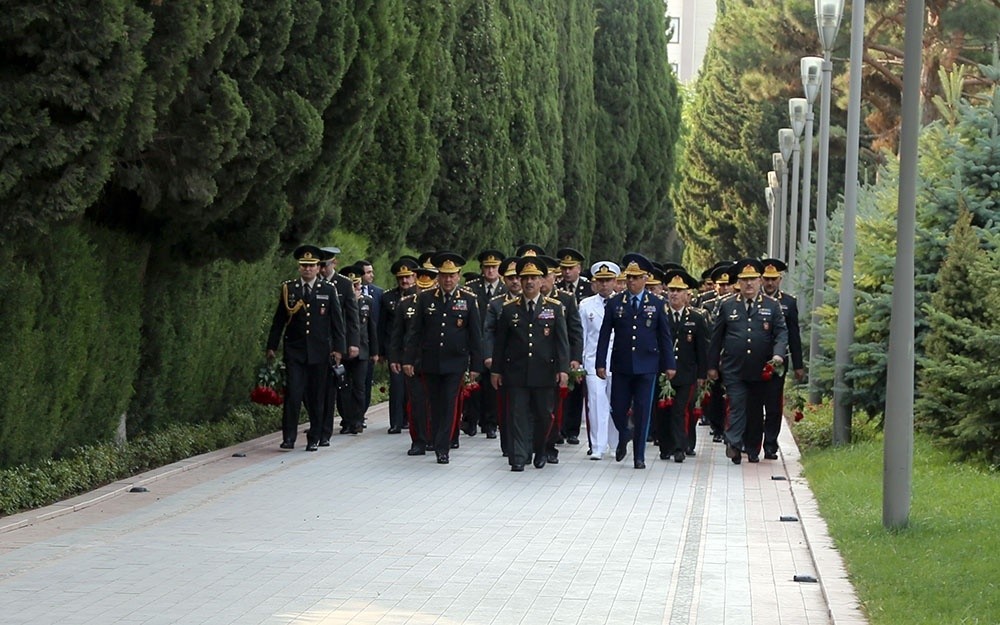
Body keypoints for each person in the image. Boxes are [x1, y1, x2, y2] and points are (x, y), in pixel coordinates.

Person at [596, 254, 676, 469]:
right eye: (629, 277)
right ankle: (624, 433)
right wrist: (600, 363)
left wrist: (669, 364)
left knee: (643, 410)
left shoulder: (657, 304)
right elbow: (605, 334)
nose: (631, 281)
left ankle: (639, 455)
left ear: (645, 279)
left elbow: (664, 336)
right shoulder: (615, 303)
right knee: (617, 407)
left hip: (647, 365)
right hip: (622, 364)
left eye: (636, 277)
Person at [402, 252, 482, 465]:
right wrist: (408, 360)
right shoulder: (426, 298)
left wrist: (476, 365)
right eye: (444, 275)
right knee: (435, 404)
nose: (448, 279)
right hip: (431, 361)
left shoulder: (468, 300)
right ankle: (436, 439)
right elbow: (415, 332)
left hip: (455, 362)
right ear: (438, 276)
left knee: (449, 403)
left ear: (459, 275)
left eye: (452, 275)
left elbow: (475, 335)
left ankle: (443, 447)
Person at [491, 257, 570, 472]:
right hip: (516, 372)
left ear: (541, 281)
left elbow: (561, 342)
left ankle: (541, 448)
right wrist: (496, 370)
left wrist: (563, 369)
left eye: (533, 278)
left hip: (544, 372)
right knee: (517, 415)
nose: (528, 282)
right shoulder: (509, 309)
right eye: (525, 278)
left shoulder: (554, 308)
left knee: (544, 415)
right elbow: (500, 343)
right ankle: (519, 456)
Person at [707, 258, 788, 464]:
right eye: (745, 280)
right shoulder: (727, 305)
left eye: (752, 279)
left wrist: (778, 354)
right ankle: (733, 443)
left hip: (761, 369)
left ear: (760, 281)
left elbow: (781, 333)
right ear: (738, 283)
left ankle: (752, 447)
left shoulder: (772, 306)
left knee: (754, 410)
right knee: (736, 404)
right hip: (734, 367)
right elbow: (716, 338)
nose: (749, 284)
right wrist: (712, 366)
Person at [265, 245, 346, 451]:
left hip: (319, 352)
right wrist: (272, 346)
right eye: (304, 266)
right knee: (293, 393)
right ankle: (289, 437)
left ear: (319, 268)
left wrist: (339, 349)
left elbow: (337, 322)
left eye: (311, 266)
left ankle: (315, 436)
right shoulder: (289, 289)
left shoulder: (328, 290)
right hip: (295, 351)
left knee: (316, 396)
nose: (307, 269)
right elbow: (279, 320)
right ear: (299, 267)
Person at [658, 269, 709, 462]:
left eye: (678, 290)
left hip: (686, 373)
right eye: (671, 290)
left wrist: (702, 374)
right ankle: (665, 446)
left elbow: (701, 349)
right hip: (664, 373)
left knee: (680, 410)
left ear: (687, 294)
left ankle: (680, 447)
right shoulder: (661, 315)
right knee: (663, 411)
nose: (674, 294)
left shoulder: (695, 318)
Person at [758, 258, 805, 459]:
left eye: (773, 279)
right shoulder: (753, 300)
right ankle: (751, 440)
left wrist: (798, 364)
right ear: (761, 279)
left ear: (780, 279)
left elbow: (794, 335)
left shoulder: (788, 302)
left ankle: (770, 444)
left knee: (774, 405)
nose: (770, 283)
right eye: (767, 279)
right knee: (752, 403)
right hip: (755, 360)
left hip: (777, 362)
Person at [390, 266, 438, 455]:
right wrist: (395, 357)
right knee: (417, 402)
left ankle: (435, 438)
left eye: (427, 287)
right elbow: (397, 334)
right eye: (421, 287)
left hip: (435, 361)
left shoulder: (441, 304)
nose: (423, 291)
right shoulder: (405, 304)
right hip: (413, 362)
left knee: (435, 403)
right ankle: (419, 440)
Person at [462, 249, 507, 439]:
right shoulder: (472, 288)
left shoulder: (506, 289)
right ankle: (470, 421)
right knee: (473, 383)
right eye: (487, 267)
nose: (490, 271)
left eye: (494, 267)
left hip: (495, 344)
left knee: (491, 386)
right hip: (474, 342)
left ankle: (490, 423)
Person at [317, 247, 361, 443]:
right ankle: (318, 422)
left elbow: (351, 317)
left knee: (335, 387)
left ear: (334, 264)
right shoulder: (314, 283)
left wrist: (352, 343)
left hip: (337, 344)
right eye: (320, 265)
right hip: (317, 343)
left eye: (325, 265)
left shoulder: (343, 284)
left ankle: (335, 424)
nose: (322, 269)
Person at [578, 261, 620, 460]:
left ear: (615, 281)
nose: (604, 285)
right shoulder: (586, 305)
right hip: (594, 361)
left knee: (616, 403)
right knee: (595, 403)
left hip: (617, 361)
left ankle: (616, 443)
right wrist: (579, 361)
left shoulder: (622, 303)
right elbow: (582, 336)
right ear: (595, 283)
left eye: (608, 280)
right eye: (600, 281)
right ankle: (597, 446)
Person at [482, 256, 522, 457]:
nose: (515, 281)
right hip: (504, 361)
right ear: (504, 280)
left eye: (518, 277)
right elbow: (488, 331)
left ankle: (525, 442)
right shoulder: (497, 304)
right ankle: (508, 445)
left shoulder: (535, 301)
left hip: (527, 363)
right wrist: (489, 356)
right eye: (510, 278)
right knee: (506, 405)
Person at [337, 264, 378, 435]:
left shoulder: (367, 302)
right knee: (343, 387)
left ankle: (358, 420)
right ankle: (346, 420)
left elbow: (371, 327)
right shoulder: (340, 301)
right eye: (353, 286)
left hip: (362, 351)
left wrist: (375, 351)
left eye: (358, 285)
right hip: (344, 350)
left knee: (360, 387)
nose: (357, 289)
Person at [379, 257, 418, 434]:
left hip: (415, 350)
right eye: (401, 277)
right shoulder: (388, 298)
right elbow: (381, 325)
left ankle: (410, 419)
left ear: (415, 277)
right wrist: (381, 351)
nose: (405, 280)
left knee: (413, 388)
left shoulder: (422, 296)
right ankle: (395, 422)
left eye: (408, 276)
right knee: (396, 387)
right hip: (396, 349)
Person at [357, 259, 384, 413]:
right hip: (356, 344)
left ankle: (362, 412)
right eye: (368, 272)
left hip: (371, 345)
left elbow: (380, 322)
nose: (371, 275)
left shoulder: (379, 293)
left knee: (367, 381)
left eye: (371, 271)